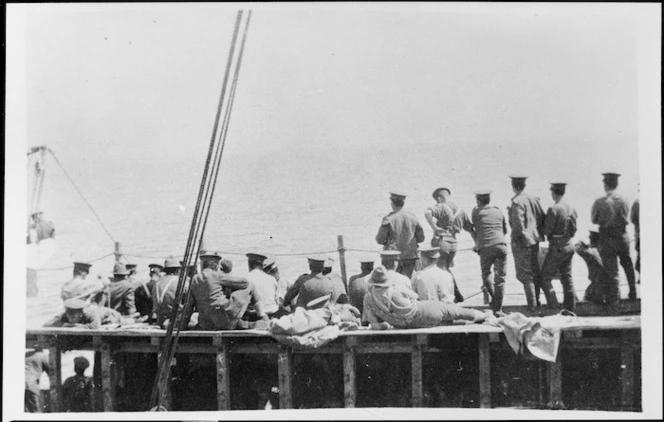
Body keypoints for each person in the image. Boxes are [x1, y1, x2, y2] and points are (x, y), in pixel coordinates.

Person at [362, 266, 492, 330]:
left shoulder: (368, 298)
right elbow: (415, 296)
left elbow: (376, 325)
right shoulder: (396, 289)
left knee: (446, 323)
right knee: (458, 312)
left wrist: (388, 321)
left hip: (405, 325)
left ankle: (477, 320)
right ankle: (485, 316)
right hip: (423, 312)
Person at [182, 251, 267, 330]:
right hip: (223, 320)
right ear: (215, 265)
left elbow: (188, 307)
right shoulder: (217, 275)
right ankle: (263, 316)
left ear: (203, 264)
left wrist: (183, 326)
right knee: (251, 285)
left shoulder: (194, 280)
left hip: (205, 323)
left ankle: (244, 323)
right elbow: (245, 283)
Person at [591, 172, 637, 303]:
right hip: (622, 236)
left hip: (607, 238)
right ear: (616, 184)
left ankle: (614, 300)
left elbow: (594, 220)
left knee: (612, 271)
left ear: (605, 185)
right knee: (628, 265)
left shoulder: (599, 202)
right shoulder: (624, 200)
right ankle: (633, 291)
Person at [463, 190, 509, 316]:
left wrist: (479, 244)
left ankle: (495, 303)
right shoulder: (498, 211)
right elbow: (505, 230)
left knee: (487, 275)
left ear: (478, 200)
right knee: (501, 279)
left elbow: (478, 229)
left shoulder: (476, 211)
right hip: (501, 245)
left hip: (486, 248)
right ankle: (498, 308)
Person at [507, 175, 546, 311]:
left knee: (525, 275)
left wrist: (518, 239)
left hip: (523, 243)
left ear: (514, 186)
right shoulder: (533, 199)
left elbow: (518, 226)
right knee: (535, 273)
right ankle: (537, 302)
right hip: (535, 241)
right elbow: (542, 217)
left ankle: (532, 307)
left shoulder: (517, 201)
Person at [539, 182, 578, 312]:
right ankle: (570, 310)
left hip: (557, 246)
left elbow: (546, 230)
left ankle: (554, 308)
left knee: (545, 278)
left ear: (553, 193)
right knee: (567, 278)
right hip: (569, 245)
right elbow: (574, 229)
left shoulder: (553, 209)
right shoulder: (571, 208)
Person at [375, 192, 425, 278]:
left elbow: (380, 240)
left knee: (392, 282)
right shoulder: (413, 217)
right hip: (411, 257)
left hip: (392, 258)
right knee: (410, 281)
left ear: (392, 203)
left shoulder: (388, 219)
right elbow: (421, 238)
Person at [44, 298, 141, 329]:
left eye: (74, 316)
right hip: (102, 316)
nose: (71, 318)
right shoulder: (66, 313)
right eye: (70, 315)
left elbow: (95, 326)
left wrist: (74, 326)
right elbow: (47, 324)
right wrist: (63, 324)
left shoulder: (90, 313)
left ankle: (138, 319)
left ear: (81, 313)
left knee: (127, 322)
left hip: (111, 316)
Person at [575, 231, 611, 304]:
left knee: (588, 300)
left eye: (590, 238)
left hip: (598, 286)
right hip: (604, 285)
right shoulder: (603, 251)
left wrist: (584, 244)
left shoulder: (592, 252)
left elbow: (578, 248)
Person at [245, 253, 281, 319]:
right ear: (262, 265)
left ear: (249, 264)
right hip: (273, 315)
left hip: (255, 317)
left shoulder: (246, 279)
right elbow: (277, 301)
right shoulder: (272, 279)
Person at [153, 258, 186, 328]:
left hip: (160, 320)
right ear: (178, 270)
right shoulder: (181, 282)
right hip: (176, 321)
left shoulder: (157, 283)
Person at [25, 348, 50, 412]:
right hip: (30, 386)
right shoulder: (44, 355)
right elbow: (52, 373)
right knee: (35, 411)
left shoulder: (27, 354)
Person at [630, 198, 640, 279]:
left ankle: (641, 276)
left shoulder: (637, 202)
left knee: (640, 257)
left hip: (640, 236)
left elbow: (632, 219)